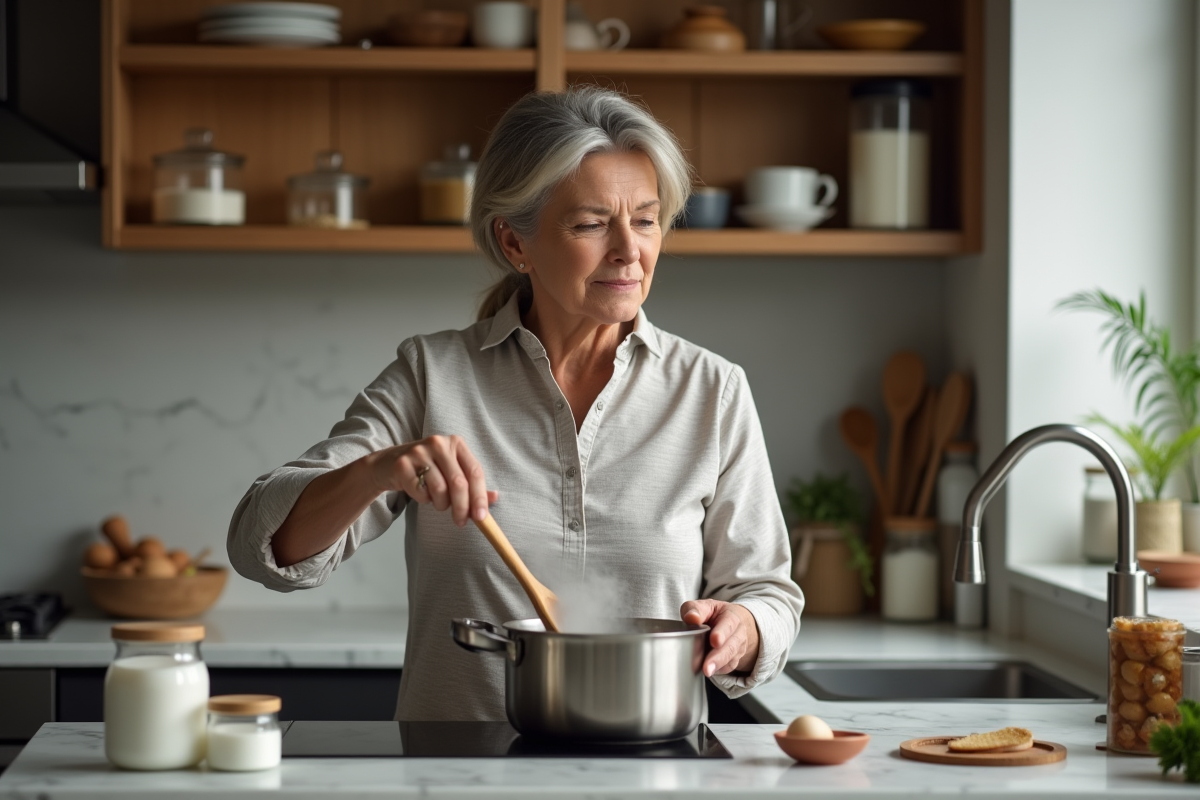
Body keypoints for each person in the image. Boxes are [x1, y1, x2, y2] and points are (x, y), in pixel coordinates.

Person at [227, 86, 804, 721]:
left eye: (645, 219)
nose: (629, 250)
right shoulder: (432, 374)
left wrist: (743, 626)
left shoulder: (712, 390)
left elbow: (767, 591)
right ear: (514, 243)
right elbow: (264, 546)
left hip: (651, 766)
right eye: (590, 223)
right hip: (456, 773)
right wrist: (379, 468)